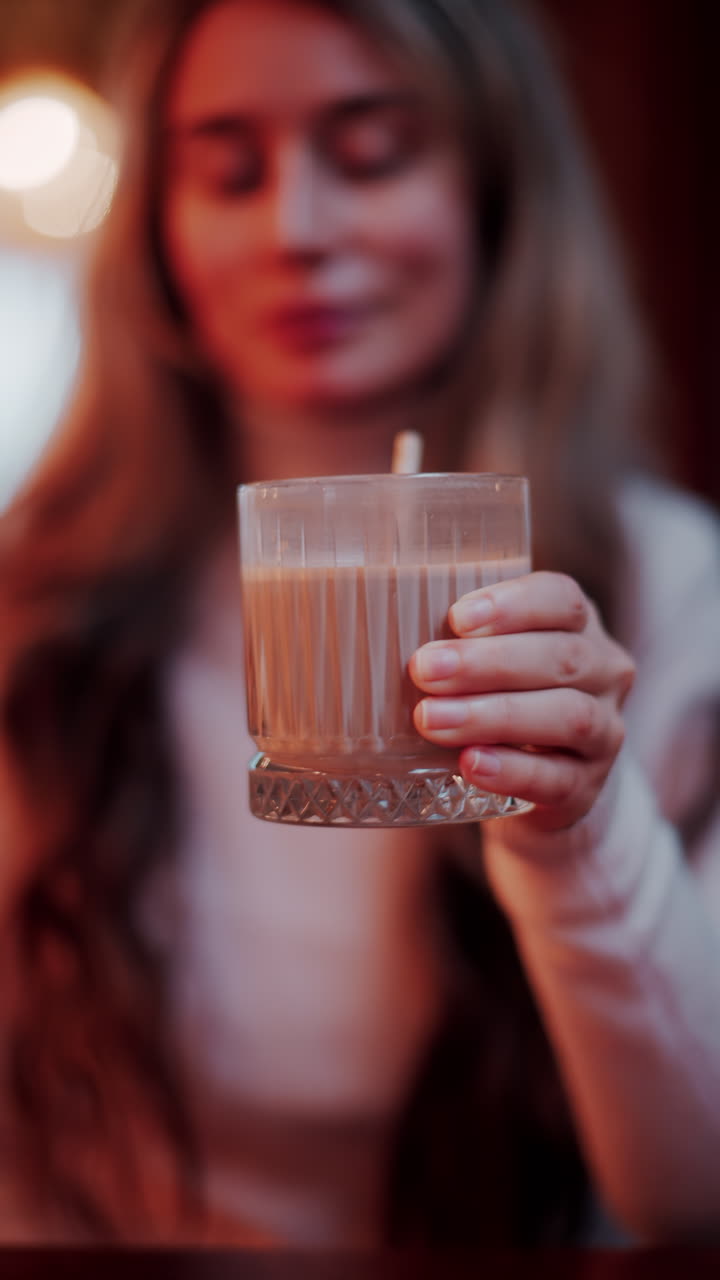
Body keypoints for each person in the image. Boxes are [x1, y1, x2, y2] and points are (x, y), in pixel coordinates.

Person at [1, 0, 719, 1249]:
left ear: (497, 193)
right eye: (229, 170)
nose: (298, 229)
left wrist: (578, 836)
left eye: (375, 153)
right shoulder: (39, 592)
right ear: (161, 229)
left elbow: (694, 1198)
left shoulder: (667, 588)